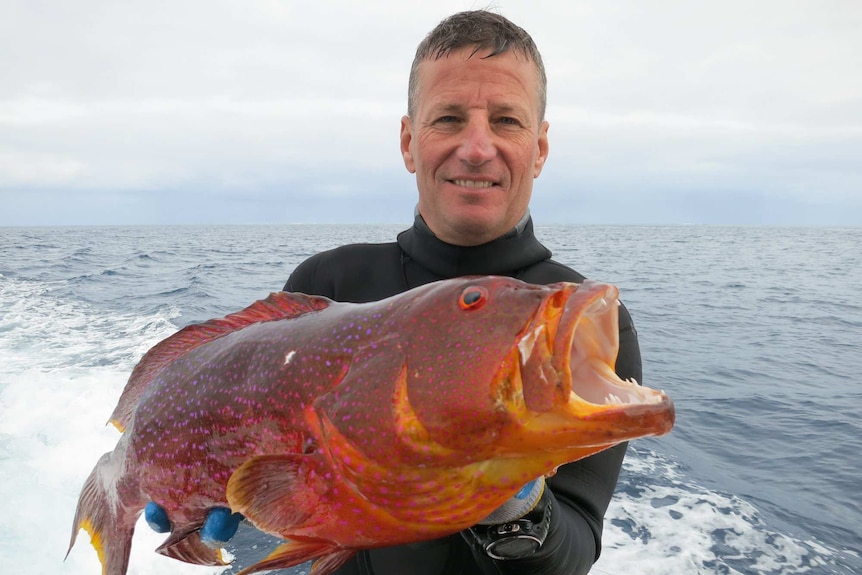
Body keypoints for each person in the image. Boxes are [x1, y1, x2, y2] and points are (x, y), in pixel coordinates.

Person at [281, 9, 643, 575]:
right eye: (449, 118)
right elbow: (276, 483)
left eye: (506, 121)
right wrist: (203, 490)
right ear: (408, 142)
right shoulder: (325, 289)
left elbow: (575, 547)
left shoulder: (583, 325)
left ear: (540, 149)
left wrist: (518, 504)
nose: (477, 148)